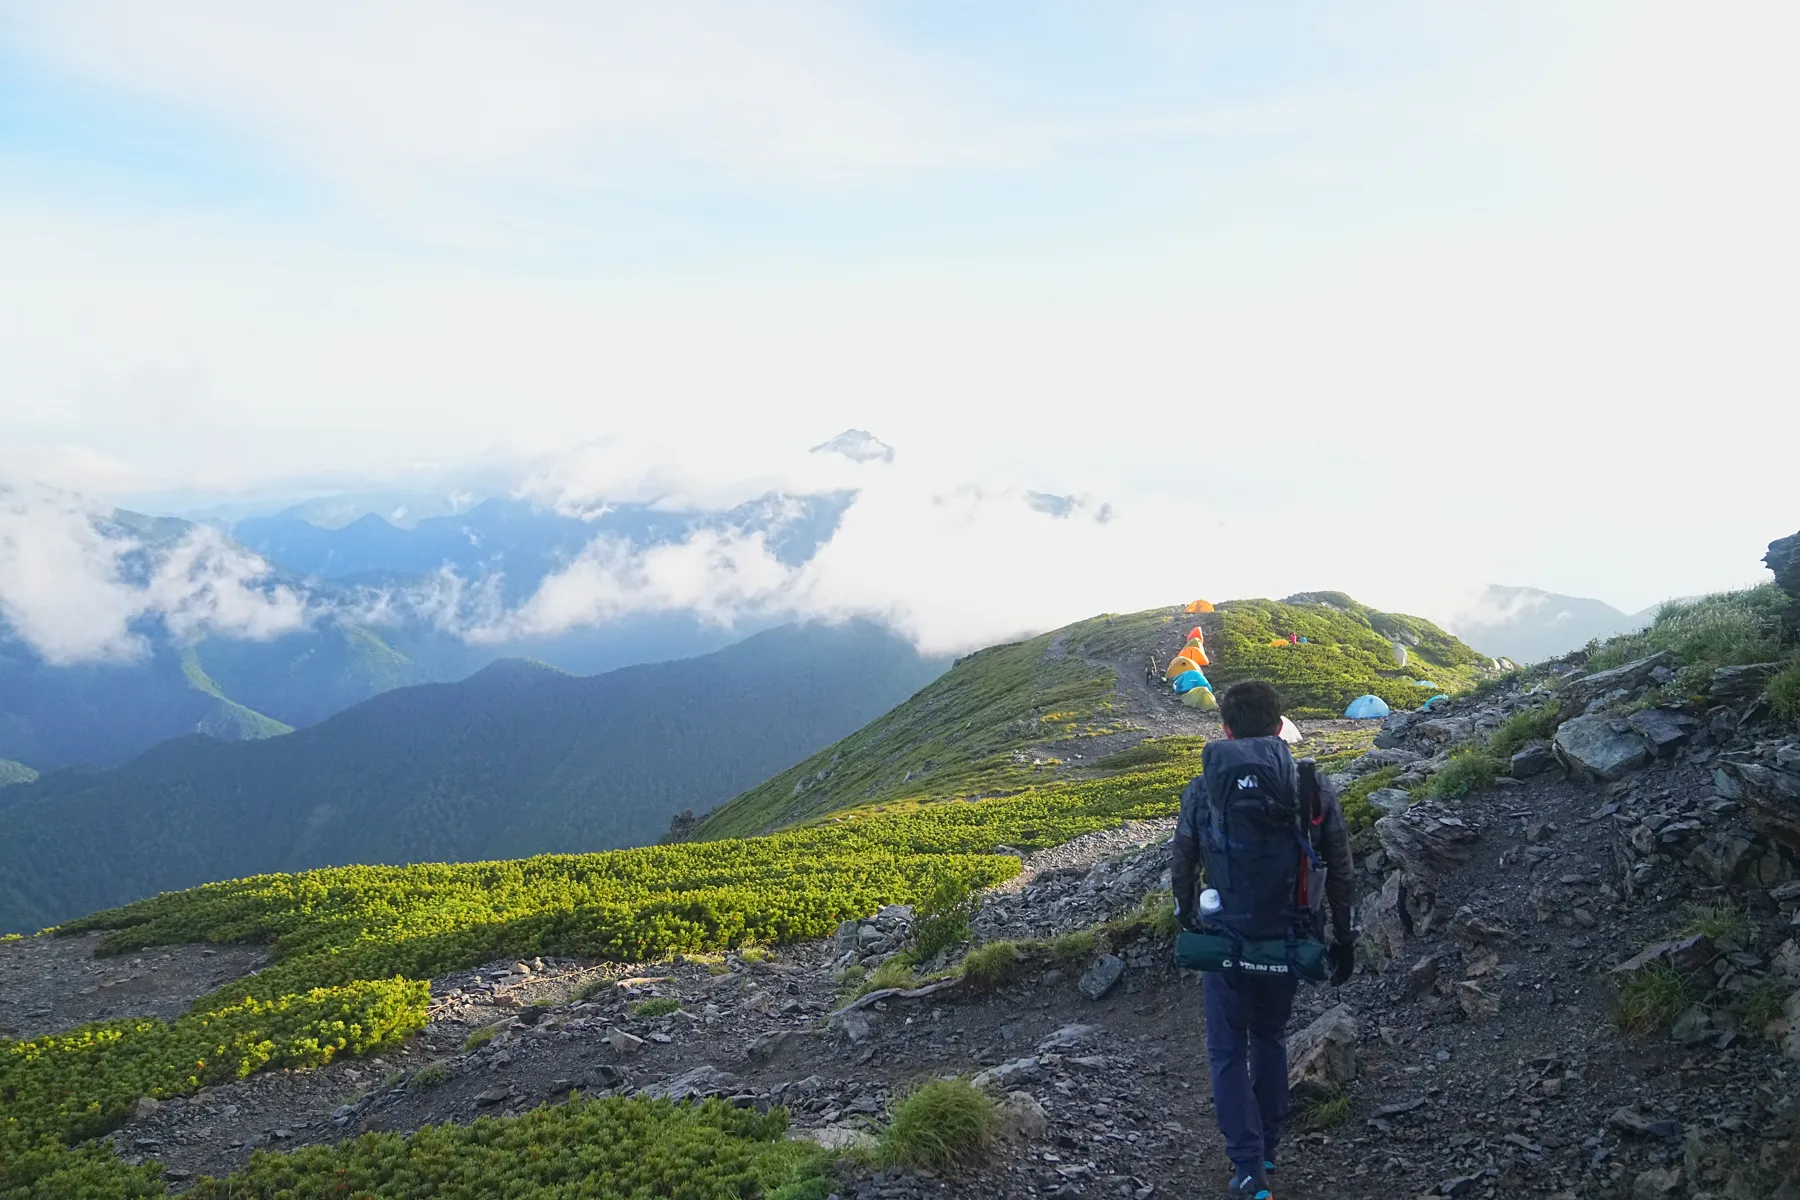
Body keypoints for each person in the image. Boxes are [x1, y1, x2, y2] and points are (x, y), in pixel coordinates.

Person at [1170, 680, 1356, 1200]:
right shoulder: (1311, 787)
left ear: (1224, 728)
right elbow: (1340, 869)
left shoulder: (1202, 788)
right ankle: (1269, 1145)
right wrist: (1344, 937)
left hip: (1225, 938)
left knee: (1226, 1051)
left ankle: (1249, 1169)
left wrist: (1188, 919)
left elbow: (1182, 863)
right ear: (1280, 727)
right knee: (1270, 1038)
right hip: (1288, 937)